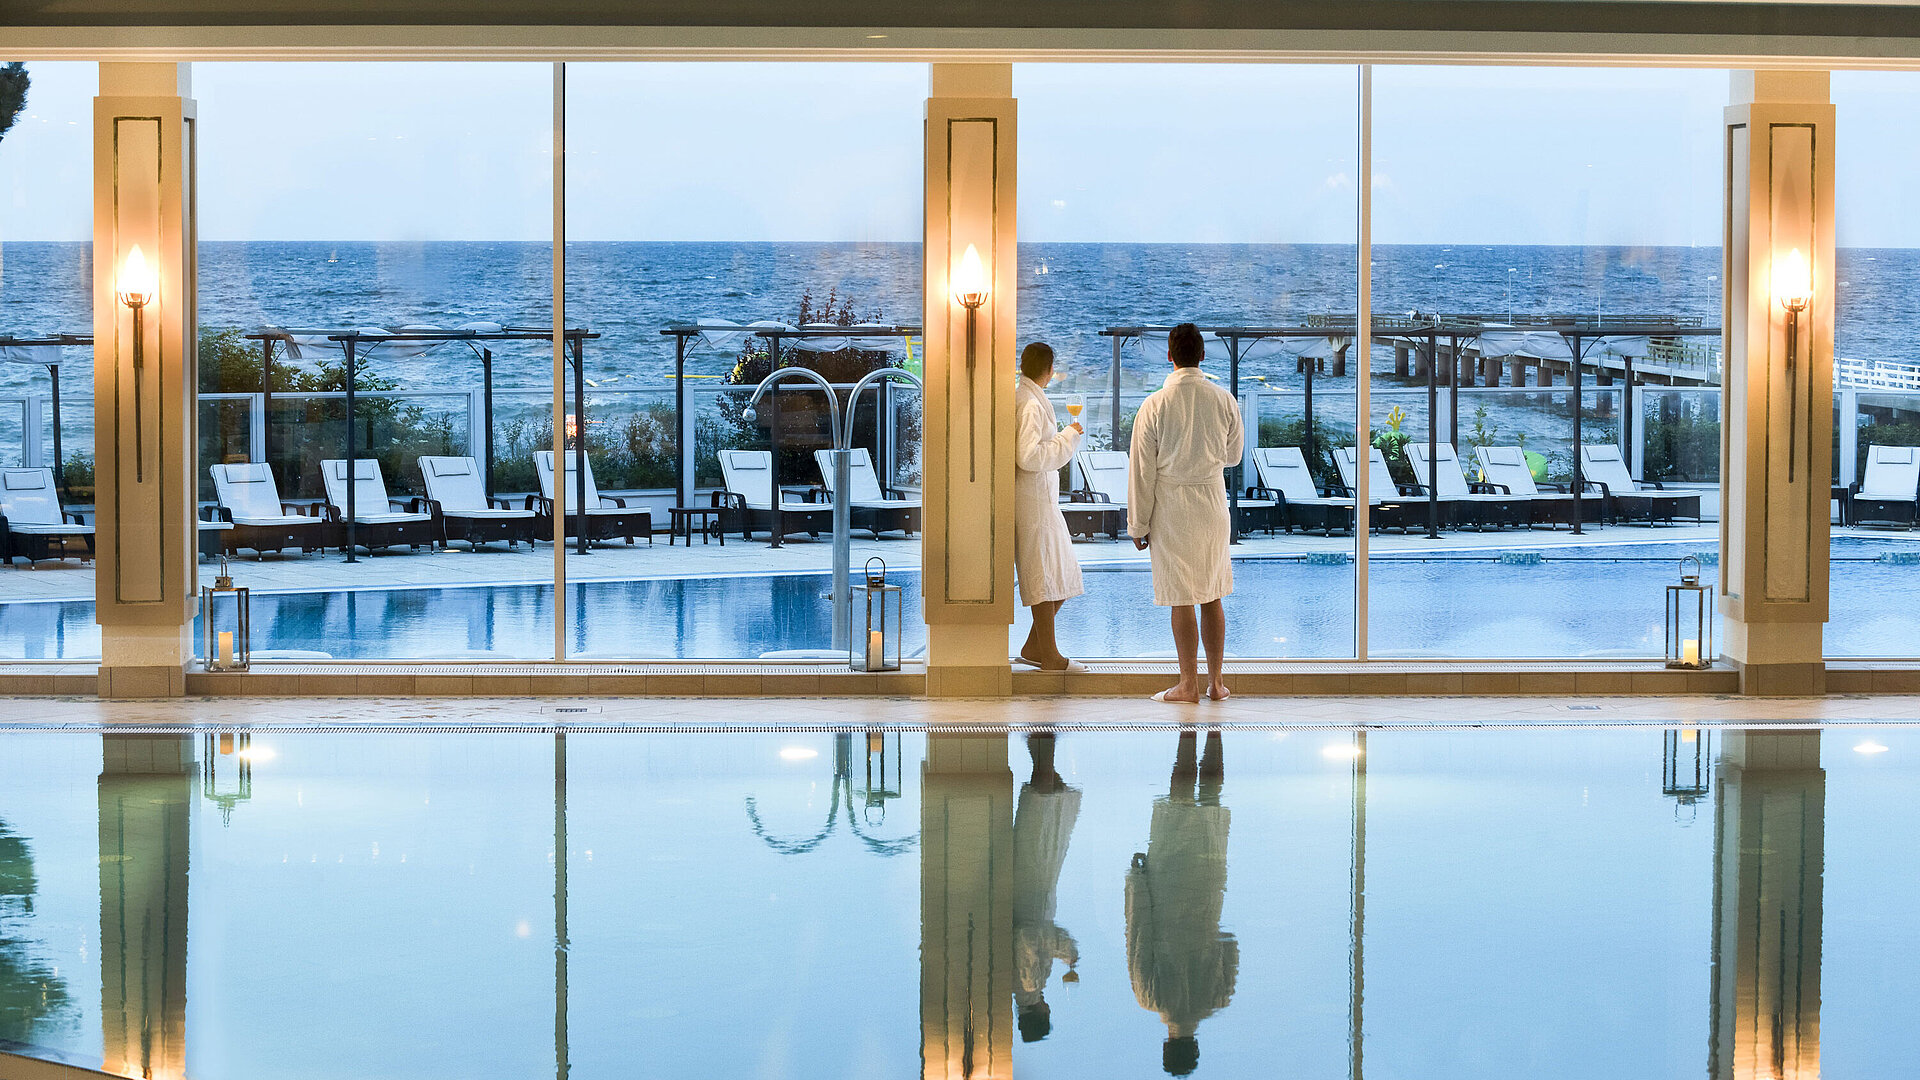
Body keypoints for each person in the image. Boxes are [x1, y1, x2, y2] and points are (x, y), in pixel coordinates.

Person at [1128, 322, 1242, 703]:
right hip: (1211, 503)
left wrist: (1137, 524)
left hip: (1172, 508)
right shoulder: (1224, 399)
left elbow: (1142, 471)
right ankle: (1216, 683)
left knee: (1182, 596)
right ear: (1203, 355)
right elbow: (1234, 456)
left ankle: (1187, 683)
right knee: (1212, 593)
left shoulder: (1154, 404)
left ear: (1170, 356)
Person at [1125, 731, 1236, 1077]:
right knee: (1179, 801)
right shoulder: (1149, 998)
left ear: (1196, 1045)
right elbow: (1139, 932)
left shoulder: (1219, 998)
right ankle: (1189, 729)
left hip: (1206, 889)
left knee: (1211, 800)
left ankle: (1214, 730)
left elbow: (1230, 945)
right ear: (1166, 1044)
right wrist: (1136, 880)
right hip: (1169, 885)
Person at [1014, 341, 1087, 671]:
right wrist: (1068, 436)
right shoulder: (1029, 404)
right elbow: (1028, 456)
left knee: (1062, 572)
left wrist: (1062, 436)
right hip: (1032, 501)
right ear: (1048, 370)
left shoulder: (1027, 397)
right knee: (1044, 575)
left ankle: (1034, 646)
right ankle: (1051, 655)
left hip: (1038, 499)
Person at [1013, 733, 1082, 1043]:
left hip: (1031, 889)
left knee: (1041, 810)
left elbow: (1027, 935)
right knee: (1047, 801)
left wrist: (1065, 950)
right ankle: (1040, 738)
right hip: (1034, 888)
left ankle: (1043, 733)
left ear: (1043, 1013)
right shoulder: (1026, 986)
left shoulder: (1028, 984)